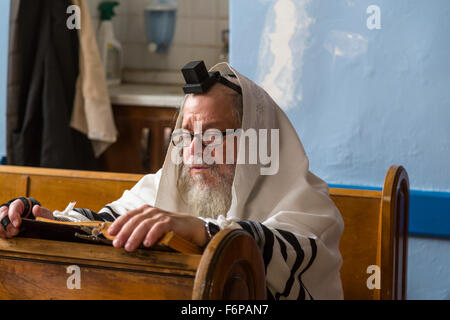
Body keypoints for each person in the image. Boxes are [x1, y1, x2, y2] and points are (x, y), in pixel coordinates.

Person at [0, 63, 344, 300]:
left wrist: (198, 230)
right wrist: (43, 221)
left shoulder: (306, 200)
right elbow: (108, 222)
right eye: (186, 135)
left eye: (212, 136)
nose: (194, 152)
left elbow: (289, 252)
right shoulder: (172, 182)